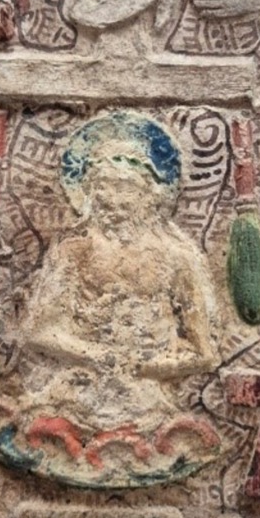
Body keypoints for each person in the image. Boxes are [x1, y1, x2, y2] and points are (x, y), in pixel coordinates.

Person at [19, 113, 219, 436]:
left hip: (150, 405)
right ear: (89, 193)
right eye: (103, 188)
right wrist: (98, 355)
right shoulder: (74, 251)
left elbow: (204, 353)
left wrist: (143, 366)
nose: (113, 201)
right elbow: (39, 331)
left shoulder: (179, 259)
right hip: (75, 398)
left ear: (150, 195)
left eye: (125, 188)